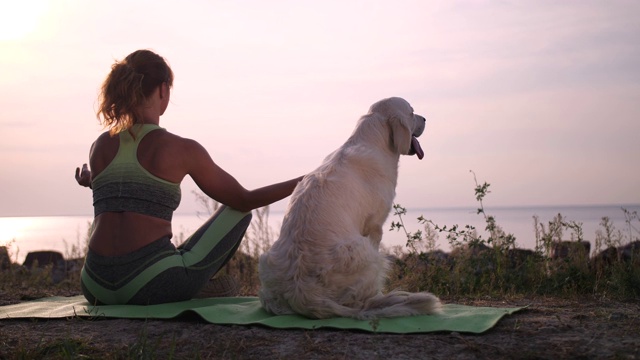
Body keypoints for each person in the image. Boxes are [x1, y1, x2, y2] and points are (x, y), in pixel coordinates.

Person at [74, 49, 303, 305]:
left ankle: (182, 281)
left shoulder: (100, 146)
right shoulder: (182, 149)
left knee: (167, 255)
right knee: (238, 212)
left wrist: (95, 182)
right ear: (163, 90)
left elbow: (123, 197)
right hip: (148, 284)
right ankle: (187, 286)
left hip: (95, 286)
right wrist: (305, 181)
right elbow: (243, 199)